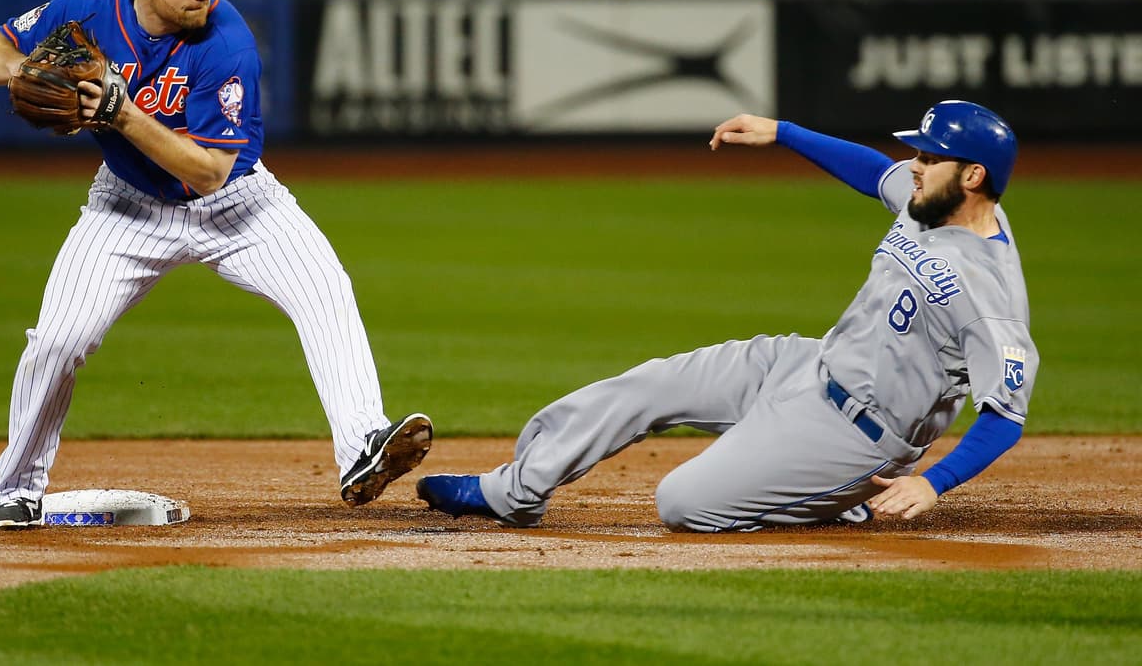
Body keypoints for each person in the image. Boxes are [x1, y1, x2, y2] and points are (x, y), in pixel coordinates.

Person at [0, 0, 432, 531]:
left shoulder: (228, 42)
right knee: (59, 340)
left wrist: (120, 113)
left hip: (239, 208)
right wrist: (29, 71)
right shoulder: (86, 13)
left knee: (325, 291)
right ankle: (15, 489)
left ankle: (362, 448)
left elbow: (209, 172)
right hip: (125, 209)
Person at [417, 101, 1035, 532]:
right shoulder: (931, 202)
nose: (915, 165)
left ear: (973, 176)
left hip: (858, 434)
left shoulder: (989, 295)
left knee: (682, 503)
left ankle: (824, 496)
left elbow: (1005, 416)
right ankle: (513, 495)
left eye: (931, 157)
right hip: (806, 363)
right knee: (649, 384)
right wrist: (783, 132)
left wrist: (934, 483)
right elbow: (876, 172)